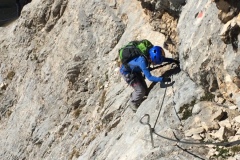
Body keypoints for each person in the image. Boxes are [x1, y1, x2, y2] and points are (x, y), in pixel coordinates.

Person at [119, 40, 179, 112]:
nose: (154, 64)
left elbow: (162, 59)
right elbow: (150, 77)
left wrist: (173, 60)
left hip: (135, 70)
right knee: (141, 91)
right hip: (127, 73)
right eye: (154, 62)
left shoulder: (148, 55)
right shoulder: (142, 61)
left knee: (145, 91)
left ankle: (136, 95)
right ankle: (133, 102)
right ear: (151, 58)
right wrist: (162, 79)